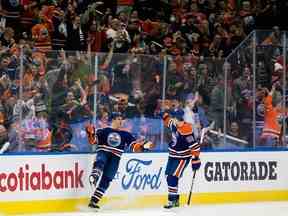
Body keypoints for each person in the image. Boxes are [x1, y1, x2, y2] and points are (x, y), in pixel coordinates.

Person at [85, 112, 154, 210]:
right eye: (118, 119)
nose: (121, 121)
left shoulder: (126, 134)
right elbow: (92, 141)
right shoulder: (103, 131)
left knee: (107, 179)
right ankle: (94, 176)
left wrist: (143, 147)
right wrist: (90, 133)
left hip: (116, 158)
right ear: (113, 120)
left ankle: (94, 201)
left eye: (121, 119)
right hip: (103, 152)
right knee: (101, 161)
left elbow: (134, 147)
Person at [162, 112, 201, 209]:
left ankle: (172, 201)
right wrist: (164, 115)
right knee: (168, 176)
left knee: (173, 177)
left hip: (183, 157)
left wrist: (196, 158)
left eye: (174, 119)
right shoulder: (173, 123)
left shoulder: (186, 129)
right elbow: (167, 122)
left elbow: (193, 145)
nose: (173, 121)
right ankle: (175, 200)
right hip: (172, 155)